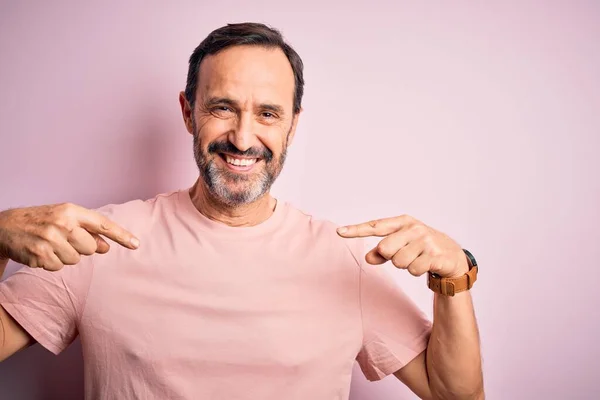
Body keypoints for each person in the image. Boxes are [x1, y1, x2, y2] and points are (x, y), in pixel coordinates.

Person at [0, 22, 483, 400]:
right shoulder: (101, 240)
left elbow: (454, 393)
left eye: (268, 113)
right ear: (188, 112)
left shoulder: (345, 260)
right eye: (223, 108)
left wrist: (455, 278)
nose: (244, 138)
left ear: (293, 126)